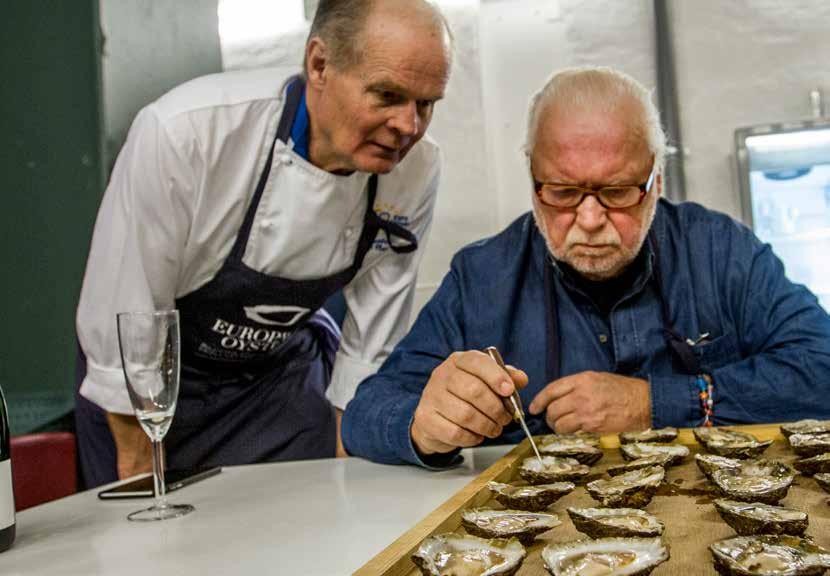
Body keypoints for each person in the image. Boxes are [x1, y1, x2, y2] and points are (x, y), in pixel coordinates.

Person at [341, 66, 830, 468]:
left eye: (616, 192)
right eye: (562, 192)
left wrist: (653, 404)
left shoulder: (721, 251)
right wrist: (424, 423)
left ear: (656, 182)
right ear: (533, 181)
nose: (590, 221)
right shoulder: (481, 278)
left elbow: (821, 367)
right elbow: (364, 414)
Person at [75, 0, 453, 487]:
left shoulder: (415, 169)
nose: (409, 127)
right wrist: (141, 479)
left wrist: (352, 490)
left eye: (426, 104)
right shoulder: (187, 134)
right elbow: (127, 320)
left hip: (277, 384)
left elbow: (370, 350)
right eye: (387, 96)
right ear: (319, 64)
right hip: (148, 390)